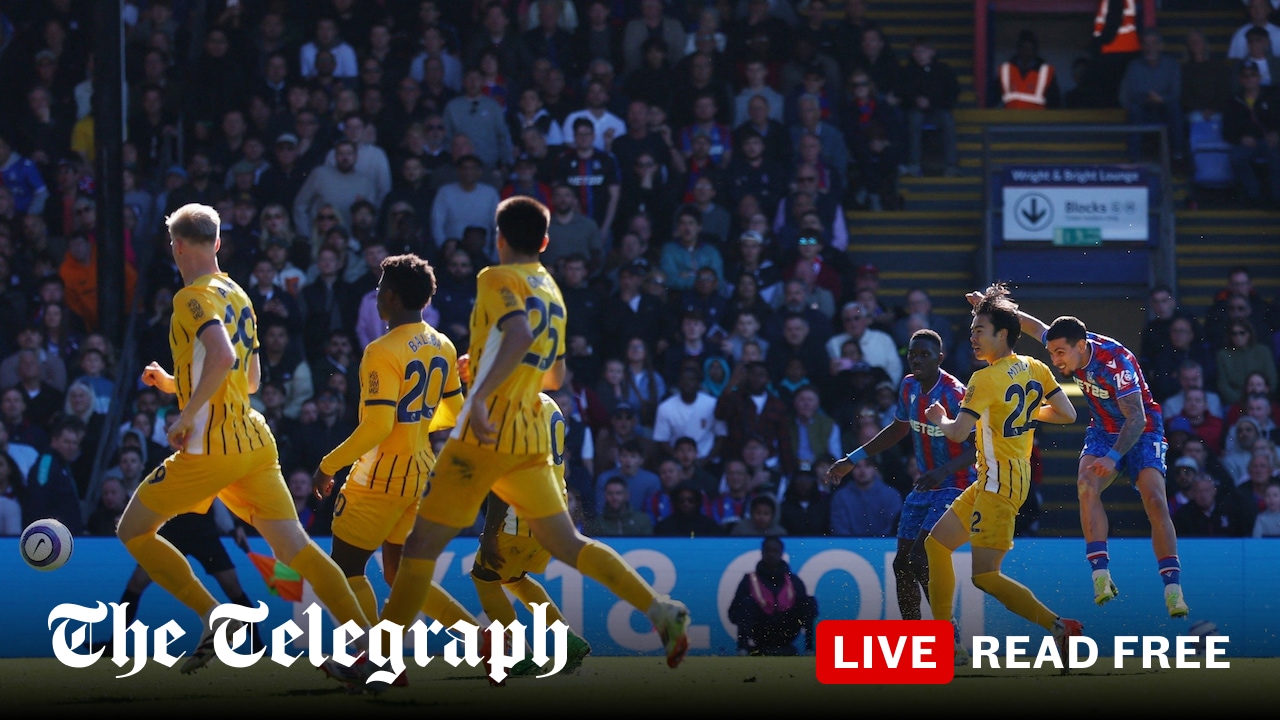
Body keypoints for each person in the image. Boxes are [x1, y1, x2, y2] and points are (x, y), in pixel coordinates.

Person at [361, 197, 691, 689]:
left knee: (419, 548)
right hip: (534, 430)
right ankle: (658, 607)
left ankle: (379, 658)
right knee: (567, 542)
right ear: (545, 242)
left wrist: (477, 395)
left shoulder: (495, 278)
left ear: (499, 237)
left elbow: (515, 334)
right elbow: (554, 373)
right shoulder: (552, 289)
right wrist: (488, 362)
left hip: (489, 431)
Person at [116, 203, 375, 676]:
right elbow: (249, 378)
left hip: (212, 446)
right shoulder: (239, 293)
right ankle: (365, 645)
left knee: (132, 530)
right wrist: (175, 384)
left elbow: (220, 354)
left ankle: (217, 618)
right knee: (296, 548)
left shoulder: (189, 297)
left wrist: (186, 415)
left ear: (175, 246)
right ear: (217, 243)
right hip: (254, 439)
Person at [309, 252, 477, 673]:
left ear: (394, 296)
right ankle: (481, 638)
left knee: (346, 568)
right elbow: (454, 414)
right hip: (421, 471)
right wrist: (415, 418)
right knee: (401, 573)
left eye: (381, 288)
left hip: (381, 475)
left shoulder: (381, 350)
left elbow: (378, 427)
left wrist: (328, 464)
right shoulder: (443, 343)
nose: (377, 294)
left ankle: (372, 659)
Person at [999, 300, 1190, 618]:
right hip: (1103, 428)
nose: (1055, 360)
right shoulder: (1066, 342)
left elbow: (1137, 419)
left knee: (1155, 500)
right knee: (1086, 484)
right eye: (1052, 353)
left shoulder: (1116, 362)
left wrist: (1115, 456)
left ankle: (1173, 589)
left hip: (1142, 429)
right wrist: (994, 310)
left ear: (1081, 346)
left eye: (1060, 353)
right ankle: (1100, 576)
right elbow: (1033, 327)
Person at [923, 283, 1081, 663]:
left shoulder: (985, 379)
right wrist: (1024, 416)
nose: (973, 338)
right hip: (1001, 477)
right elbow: (1067, 413)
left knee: (984, 575)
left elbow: (958, 433)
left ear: (1003, 334)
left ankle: (1060, 626)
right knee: (936, 544)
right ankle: (945, 641)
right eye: (972, 330)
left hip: (999, 481)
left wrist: (939, 417)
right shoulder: (1037, 368)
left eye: (980, 331)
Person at [826, 329, 975, 626]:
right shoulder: (908, 386)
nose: (916, 360)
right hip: (926, 485)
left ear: (940, 359)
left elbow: (978, 447)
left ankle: (949, 637)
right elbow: (897, 429)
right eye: (912, 354)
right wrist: (851, 460)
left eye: (924, 355)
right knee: (902, 565)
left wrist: (942, 471)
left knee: (921, 556)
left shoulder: (955, 393)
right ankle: (914, 641)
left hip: (956, 485)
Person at [471, 393, 594, 676]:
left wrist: (490, 533)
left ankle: (520, 656)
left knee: (484, 578)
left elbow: (502, 480)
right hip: (555, 510)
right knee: (514, 578)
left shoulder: (507, 407)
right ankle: (568, 642)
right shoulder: (550, 403)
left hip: (520, 513)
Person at [728, 536, 818, 656]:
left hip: (787, 631)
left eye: (775, 551)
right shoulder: (749, 580)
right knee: (746, 602)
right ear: (762, 553)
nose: (771, 554)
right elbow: (733, 614)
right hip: (760, 631)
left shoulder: (794, 581)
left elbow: (809, 611)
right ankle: (742, 649)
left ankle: (810, 649)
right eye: (768, 550)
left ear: (781, 554)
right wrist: (748, 614)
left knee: (808, 602)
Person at [992, 30, 1061, 110]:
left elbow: (1055, 102)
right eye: (1023, 47)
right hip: (1011, 119)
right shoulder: (1007, 71)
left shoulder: (1045, 72)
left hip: (1038, 120)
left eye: (1029, 48)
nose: (1025, 51)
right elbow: (993, 98)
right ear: (1018, 49)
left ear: (1035, 50)